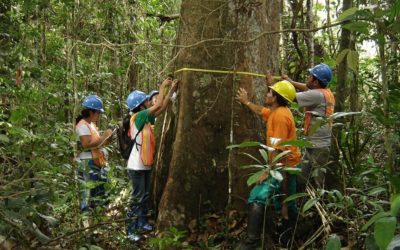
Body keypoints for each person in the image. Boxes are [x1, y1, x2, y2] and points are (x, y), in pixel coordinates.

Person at [236, 77, 301, 249]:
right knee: (286, 203)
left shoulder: (280, 117)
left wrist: (268, 171)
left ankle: (252, 241)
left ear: (276, 97)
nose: (266, 93)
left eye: (270, 92)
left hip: (283, 168)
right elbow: (262, 111)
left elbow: (280, 150)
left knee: (257, 196)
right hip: (286, 167)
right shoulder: (277, 111)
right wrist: (246, 101)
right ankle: (287, 237)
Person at [125, 78, 179, 242]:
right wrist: (162, 87)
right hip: (136, 166)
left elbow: (161, 108)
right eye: (147, 101)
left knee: (145, 195)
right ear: (141, 105)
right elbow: (157, 106)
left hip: (145, 164)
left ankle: (141, 222)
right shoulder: (138, 117)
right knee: (138, 196)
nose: (150, 102)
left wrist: (171, 91)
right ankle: (131, 229)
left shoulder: (147, 118)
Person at [282, 63, 335, 189]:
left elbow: (291, 96)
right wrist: (290, 81)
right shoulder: (325, 92)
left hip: (319, 146)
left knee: (318, 180)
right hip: (316, 143)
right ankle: (303, 200)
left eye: (310, 76)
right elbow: (307, 89)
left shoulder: (316, 95)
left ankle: (320, 204)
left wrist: (274, 87)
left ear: (316, 82)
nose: (307, 77)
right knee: (302, 176)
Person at [75, 95, 112, 212]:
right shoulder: (82, 125)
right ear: (90, 112)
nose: (99, 115)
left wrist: (107, 138)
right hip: (86, 162)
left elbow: (97, 143)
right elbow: (86, 144)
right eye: (98, 113)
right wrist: (104, 136)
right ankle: (86, 216)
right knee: (88, 191)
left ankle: (98, 213)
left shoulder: (90, 125)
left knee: (98, 189)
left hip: (95, 161)